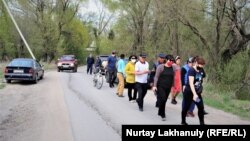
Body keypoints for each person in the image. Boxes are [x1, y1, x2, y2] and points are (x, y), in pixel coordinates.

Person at [181, 57, 206, 125]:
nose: (202, 67)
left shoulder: (201, 69)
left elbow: (202, 77)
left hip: (197, 92)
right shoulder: (191, 70)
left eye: (203, 66)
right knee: (186, 107)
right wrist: (194, 94)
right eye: (201, 65)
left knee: (201, 107)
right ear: (197, 63)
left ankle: (202, 123)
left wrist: (199, 87)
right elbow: (191, 84)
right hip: (189, 92)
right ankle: (183, 121)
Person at [152, 54, 175, 121]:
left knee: (164, 100)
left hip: (168, 86)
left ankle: (160, 111)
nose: (171, 62)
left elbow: (172, 77)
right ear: (166, 60)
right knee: (163, 98)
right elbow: (156, 77)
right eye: (170, 60)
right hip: (161, 86)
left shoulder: (173, 68)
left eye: (172, 61)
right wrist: (154, 86)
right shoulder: (160, 67)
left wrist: (173, 86)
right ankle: (163, 114)